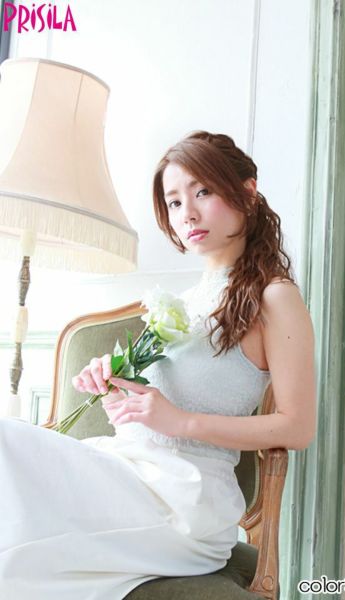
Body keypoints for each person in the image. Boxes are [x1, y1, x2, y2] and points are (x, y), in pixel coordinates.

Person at [0, 131, 316, 600]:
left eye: (202, 191)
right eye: (174, 202)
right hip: (128, 470)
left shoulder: (275, 297)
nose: (187, 213)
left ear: (247, 192)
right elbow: (149, 415)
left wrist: (180, 420)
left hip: (183, 500)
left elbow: (297, 426)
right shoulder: (181, 303)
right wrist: (114, 386)